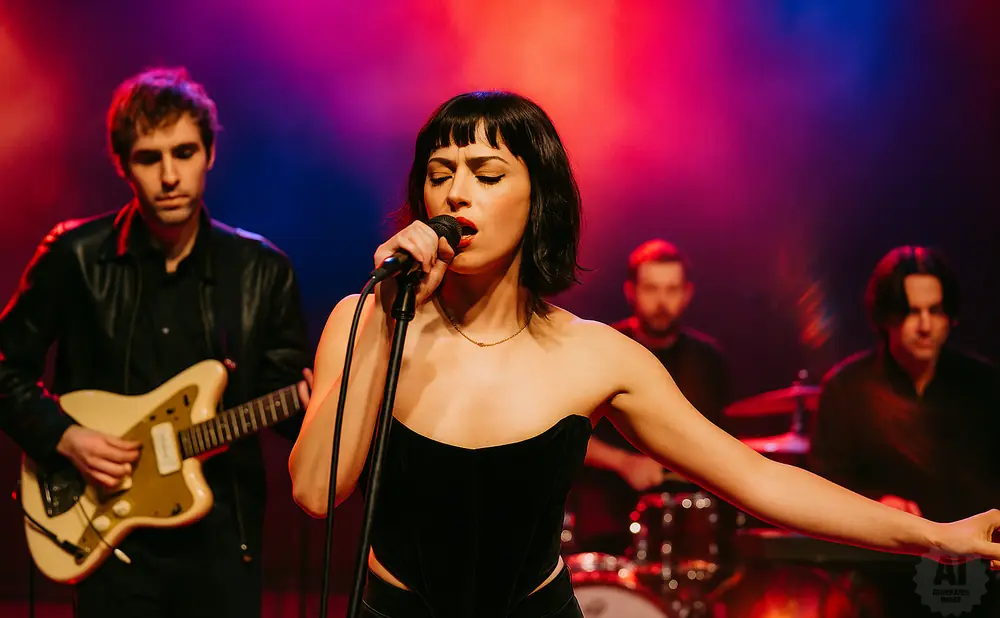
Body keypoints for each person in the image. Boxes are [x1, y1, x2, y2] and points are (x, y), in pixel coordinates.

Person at [288, 91, 1000, 618]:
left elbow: (758, 481)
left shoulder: (595, 355)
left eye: (486, 171)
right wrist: (386, 312)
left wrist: (931, 537)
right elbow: (317, 492)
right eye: (439, 172)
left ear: (539, 197)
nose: (455, 190)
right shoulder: (369, 317)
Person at [0, 67, 313, 618]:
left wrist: (319, 404)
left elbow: (285, 402)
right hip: (111, 545)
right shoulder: (74, 257)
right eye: (150, 157)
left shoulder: (263, 271)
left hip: (222, 548)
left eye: (185, 152)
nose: (170, 175)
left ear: (210, 154)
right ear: (123, 164)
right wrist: (64, 436)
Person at [810, 246, 1000, 616]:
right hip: (882, 577)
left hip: (979, 577)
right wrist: (877, 502)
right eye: (912, 312)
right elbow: (821, 484)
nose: (925, 325)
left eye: (936, 311)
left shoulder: (986, 385)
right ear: (886, 317)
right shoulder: (847, 388)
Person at [570, 239, 733, 555]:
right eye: (651, 288)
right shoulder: (603, 348)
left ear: (687, 294)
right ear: (630, 291)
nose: (662, 301)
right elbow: (564, 430)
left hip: (689, 524)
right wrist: (624, 463)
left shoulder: (709, 361)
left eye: (672, 290)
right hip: (607, 523)